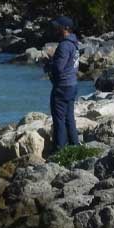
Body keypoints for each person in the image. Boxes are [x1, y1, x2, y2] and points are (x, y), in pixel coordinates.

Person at [44, 16, 80, 150]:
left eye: (57, 27)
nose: (55, 29)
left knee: (59, 119)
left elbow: (58, 68)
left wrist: (48, 64)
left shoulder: (64, 46)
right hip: (72, 85)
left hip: (62, 87)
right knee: (69, 118)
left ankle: (59, 150)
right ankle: (74, 146)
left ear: (65, 29)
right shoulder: (74, 44)